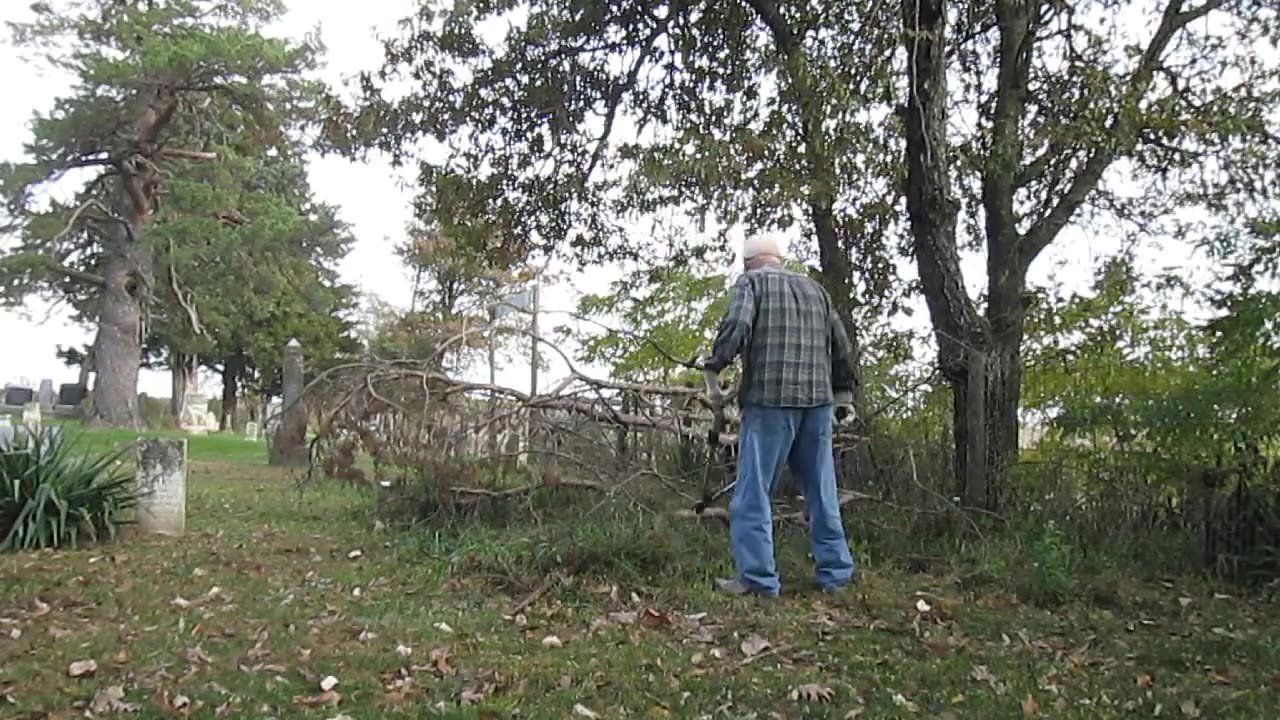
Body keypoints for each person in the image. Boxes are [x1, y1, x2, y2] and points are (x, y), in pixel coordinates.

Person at [700, 235, 857, 597]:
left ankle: (758, 580)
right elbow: (839, 341)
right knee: (821, 490)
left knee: (754, 492)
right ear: (779, 259)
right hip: (816, 403)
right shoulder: (815, 289)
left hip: (769, 400)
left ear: (747, 262)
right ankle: (835, 574)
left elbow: (737, 326)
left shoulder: (751, 283)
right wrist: (842, 392)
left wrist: (716, 365)